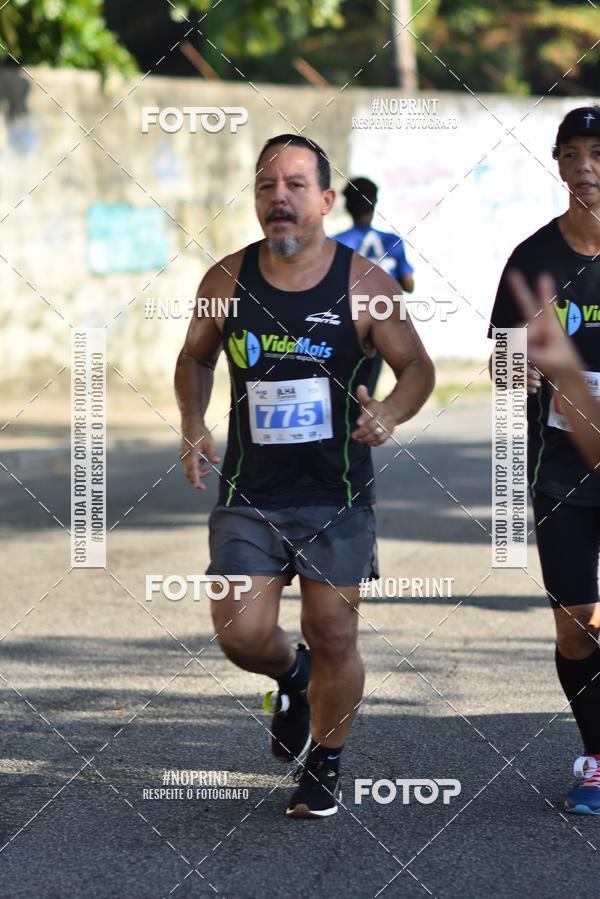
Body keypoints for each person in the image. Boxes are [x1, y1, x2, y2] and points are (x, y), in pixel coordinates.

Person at [175, 134, 434, 819]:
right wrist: (193, 420)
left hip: (335, 493)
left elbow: (417, 368)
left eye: (294, 185)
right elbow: (195, 356)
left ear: (324, 199)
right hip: (250, 493)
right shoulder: (226, 280)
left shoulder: (364, 285)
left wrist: (391, 414)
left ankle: (324, 759)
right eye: (266, 186)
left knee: (335, 633)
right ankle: (290, 676)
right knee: (240, 631)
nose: (278, 197)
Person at [488, 106, 600, 815]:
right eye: (574, 153)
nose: (587, 165)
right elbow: (499, 356)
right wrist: (516, 367)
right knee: (577, 620)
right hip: (562, 469)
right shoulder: (533, 260)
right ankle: (596, 755)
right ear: (557, 165)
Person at [334, 177, 415, 395]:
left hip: (347, 322)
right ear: (375, 202)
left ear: (346, 206)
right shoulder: (392, 242)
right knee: (368, 385)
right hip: (383, 319)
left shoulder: (334, 244)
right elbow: (409, 285)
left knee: (344, 384)